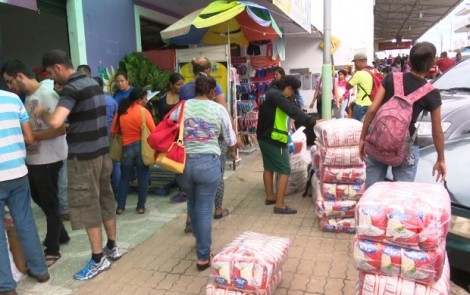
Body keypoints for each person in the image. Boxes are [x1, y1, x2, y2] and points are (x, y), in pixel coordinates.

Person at [34, 49, 121, 280]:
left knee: (87, 206)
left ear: (59, 67)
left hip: (84, 159)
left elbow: (55, 121)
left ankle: (98, 259)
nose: (52, 78)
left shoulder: (71, 89)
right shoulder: (92, 83)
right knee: (105, 199)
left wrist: (41, 111)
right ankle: (112, 247)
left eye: (51, 73)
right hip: (103, 154)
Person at [2, 60, 69, 267]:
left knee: (49, 203)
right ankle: (61, 234)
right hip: (35, 160)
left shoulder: (47, 94)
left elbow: (61, 128)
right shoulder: (28, 97)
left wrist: (33, 137)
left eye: (10, 82)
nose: (10, 87)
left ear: (19, 76)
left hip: (49, 158)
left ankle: (52, 248)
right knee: (40, 199)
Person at [168, 74, 237, 271]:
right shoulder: (218, 109)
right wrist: (232, 152)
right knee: (205, 209)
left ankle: (200, 242)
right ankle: (203, 256)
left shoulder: (182, 106)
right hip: (208, 164)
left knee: (193, 203)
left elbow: (169, 125)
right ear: (212, 92)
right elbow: (230, 138)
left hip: (183, 164)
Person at [359, 42, 446, 188]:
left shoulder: (391, 78)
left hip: (378, 140)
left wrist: (363, 138)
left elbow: (373, 109)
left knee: (372, 191)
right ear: (432, 63)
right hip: (407, 147)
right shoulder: (431, 93)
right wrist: (441, 159)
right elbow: (437, 130)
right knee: (402, 195)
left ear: (409, 61)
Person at [0, 89, 50, 294]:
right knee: (25, 222)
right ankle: (40, 271)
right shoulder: (12, 99)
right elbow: (29, 138)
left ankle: (6, 286)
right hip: (18, 173)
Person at [179, 57, 234, 232]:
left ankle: (189, 219)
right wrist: (233, 137)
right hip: (212, 138)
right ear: (208, 70)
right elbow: (223, 108)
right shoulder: (212, 85)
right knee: (217, 175)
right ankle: (217, 209)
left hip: (190, 143)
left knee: (193, 188)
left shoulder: (185, 89)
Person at [257, 75, 318, 214]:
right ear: (289, 88)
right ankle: (280, 205)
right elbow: (292, 110)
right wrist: (311, 121)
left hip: (263, 137)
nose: (292, 94)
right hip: (273, 138)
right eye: (293, 91)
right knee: (285, 170)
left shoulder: (270, 92)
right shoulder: (278, 96)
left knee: (268, 167)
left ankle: (270, 196)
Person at [111, 87, 156, 214]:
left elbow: (113, 131)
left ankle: (120, 207)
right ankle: (141, 207)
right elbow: (153, 130)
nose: (146, 100)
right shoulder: (143, 112)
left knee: (125, 178)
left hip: (126, 149)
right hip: (142, 148)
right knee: (143, 177)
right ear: (139, 100)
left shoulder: (121, 111)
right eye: (145, 98)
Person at [156, 73, 187, 204]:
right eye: (178, 84)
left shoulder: (185, 97)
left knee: (181, 159)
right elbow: (160, 115)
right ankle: (180, 185)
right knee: (170, 159)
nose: (181, 87)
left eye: (182, 84)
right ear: (171, 84)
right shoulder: (162, 97)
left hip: (181, 134)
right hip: (168, 134)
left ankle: (184, 190)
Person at [94, 76, 120, 194]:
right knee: (115, 163)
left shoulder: (90, 101)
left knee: (98, 165)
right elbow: (117, 118)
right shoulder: (112, 101)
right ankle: (117, 191)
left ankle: (102, 192)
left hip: (95, 138)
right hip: (110, 136)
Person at [346, 53, 374, 121]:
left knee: (357, 127)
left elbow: (348, 86)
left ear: (359, 61)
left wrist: (355, 72)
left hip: (361, 105)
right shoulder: (374, 71)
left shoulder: (359, 73)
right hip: (373, 104)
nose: (354, 64)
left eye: (355, 62)